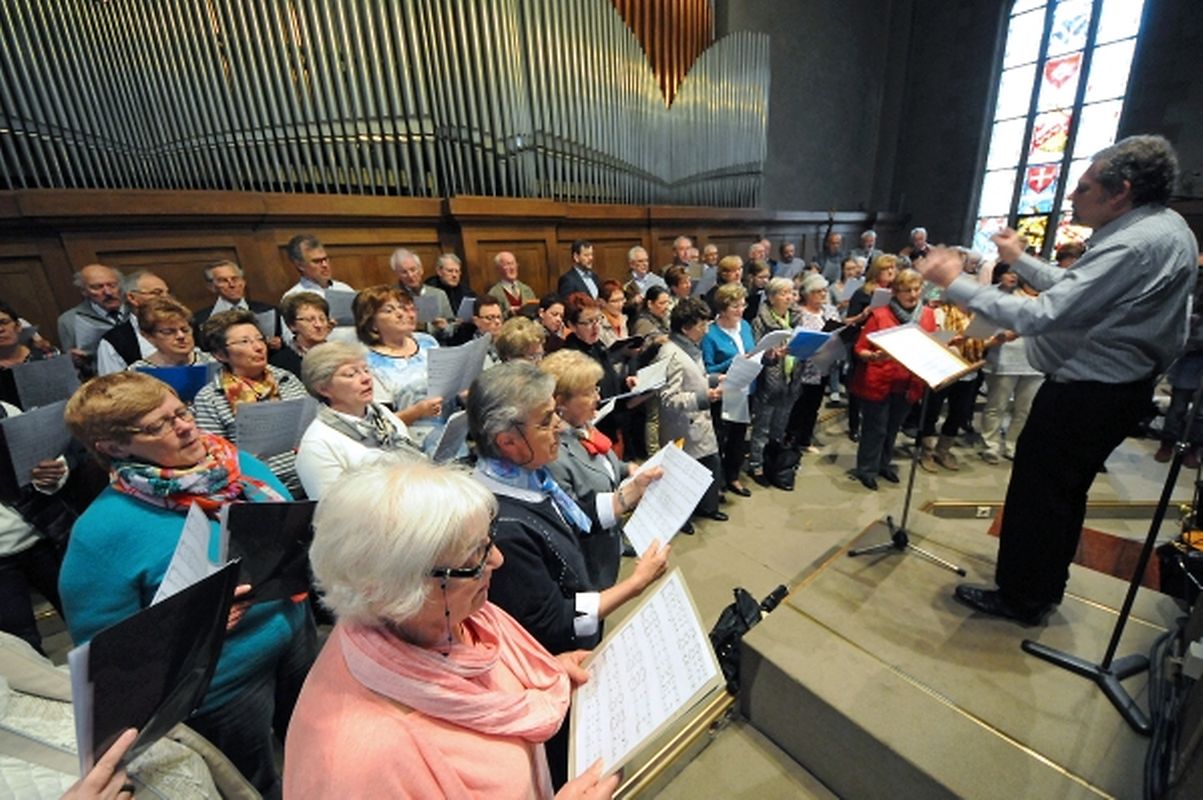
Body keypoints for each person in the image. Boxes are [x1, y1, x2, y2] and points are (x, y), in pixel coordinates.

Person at [915, 135, 1199, 624]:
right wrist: (1020, 261)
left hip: (1089, 393)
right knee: (1062, 495)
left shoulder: (1135, 242)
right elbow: (1079, 289)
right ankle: (1042, 586)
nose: (1071, 197)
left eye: (1084, 187)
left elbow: (1043, 315)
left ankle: (1022, 597)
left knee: (1039, 496)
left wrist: (953, 282)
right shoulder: (1166, 225)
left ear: (1120, 192)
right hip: (1113, 388)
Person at [285, 460, 620, 799]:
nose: (498, 560)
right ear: (398, 588)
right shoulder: (360, 764)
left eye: (487, 542)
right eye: (475, 556)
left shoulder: (445, 619)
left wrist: (542, 674)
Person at [60, 372, 315, 797]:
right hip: (225, 686)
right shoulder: (100, 534)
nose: (184, 426)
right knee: (256, 784)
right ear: (112, 447)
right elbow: (109, 654)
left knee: (314, 746)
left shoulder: (232, 463)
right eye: (158, 425)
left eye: (180, 411)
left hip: (294, 633)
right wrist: (196, 620)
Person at [467, 362, 669, 655]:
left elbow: (570, 515)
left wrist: (629, 494)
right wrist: (636, 584)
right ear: (507, 441)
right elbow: (553, 621)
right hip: (559, 657)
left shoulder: (525, 475)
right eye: (547, 420)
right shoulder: (503, 528)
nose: (559, 428)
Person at [541, 349, 634, 588]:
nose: (598, 397)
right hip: (585, 562)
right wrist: (626, 498)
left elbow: (605, 466)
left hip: (607, 548)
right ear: (559, 403)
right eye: (588, 392)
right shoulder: (552, 453)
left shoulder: (583, 427)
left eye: (596, 388)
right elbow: (573, 520)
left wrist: (627, 469)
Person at [193, 309, 311, 495]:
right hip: (257, 486)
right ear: (220, 355)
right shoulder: (210, 397)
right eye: (245, 342)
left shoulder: (286, 378)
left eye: (259, 339)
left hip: (307, 473)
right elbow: (216, 457)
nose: (258, 347)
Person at [295, 341, 424, 499]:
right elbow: (334, 512)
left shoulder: (382, 414)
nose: (366, 379)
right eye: (351, 374)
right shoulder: (318, 444)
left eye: (365, 370)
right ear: (323, 389)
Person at [848, 268, 935, 490]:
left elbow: (932, 343)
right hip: (880, 380)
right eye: (907, 290)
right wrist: (874, 356)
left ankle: (883, 464)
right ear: (895, 292)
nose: (913, 294)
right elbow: (860, 348)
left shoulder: (926, 315)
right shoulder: (880, 315)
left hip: (908, 382)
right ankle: (866, 469)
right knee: (875, 428)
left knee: (893, 427)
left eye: (916, 289)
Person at [653, 297, 726, 522]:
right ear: (685, 328)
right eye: (701, 325)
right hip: (683, 427)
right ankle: (681, 519)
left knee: (708, 468)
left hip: (698, 423)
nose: (706, 330)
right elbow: (667, 397)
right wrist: (703, 397)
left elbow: (696, 377)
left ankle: (706, 509)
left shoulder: (691, 347)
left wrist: (715, 379)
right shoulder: (671, 354)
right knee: (681, 477)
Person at [353, 286, 444, 450]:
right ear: (372, 324)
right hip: (407, 446)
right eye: (389, 310)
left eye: (400, 308)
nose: (401, 314)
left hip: (449, 431)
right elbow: (381, 425)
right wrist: (418, 411)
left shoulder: (427, 342)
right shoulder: (368, 362)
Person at [701, 283, 755, 497]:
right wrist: (732, 361)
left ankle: (733, 476)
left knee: (738, 439)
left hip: (746, 390)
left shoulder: (746, 326)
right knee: (720, 439)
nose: (741, 310)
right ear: (722, 310)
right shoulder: (710, 334)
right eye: (735, 307)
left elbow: (753, 351)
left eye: (743, 305)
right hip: (724, 393)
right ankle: (718, 483)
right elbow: (706, 368)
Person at [748, 277, 801, 487]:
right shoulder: (760, 321)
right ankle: (756, 464)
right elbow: (756, 353)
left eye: (791, 292)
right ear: (771, 298)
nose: (789, 297)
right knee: (762, 428)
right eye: (783, 293)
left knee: (780, 428)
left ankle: (773, 462)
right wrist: (771, 354)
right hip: (768, 382)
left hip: (790, 378)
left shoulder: (795, 317)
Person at [790, 273, 841, 453]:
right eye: (818, 291)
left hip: (823, 366)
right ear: (808, 294)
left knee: (813, 406)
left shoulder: (830, 311)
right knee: (798, 406)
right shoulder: (798, 313)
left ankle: (805, 439)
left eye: (825, 291)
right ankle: (791, 440)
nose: (823, 294)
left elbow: (838, 331)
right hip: (803, 367)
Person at [191, 261, 281, 351]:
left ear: (243, 282)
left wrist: (279, 343)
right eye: (223, 280)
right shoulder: (201, 320)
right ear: (211, 287)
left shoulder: (269, 310)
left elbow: (285, 340)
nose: (232, 285)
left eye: (235, 279)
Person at [57, 263, 125, 377]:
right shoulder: (69, 320)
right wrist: (75, 361)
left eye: (112, 285)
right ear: (84, 291)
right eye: (97, 287)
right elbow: (73, 368)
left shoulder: (135, 309)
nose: (108, 292)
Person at [96, 270, 168, 375]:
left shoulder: (187, 328)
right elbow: (111, 385)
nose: (166, 298)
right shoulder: (114, 341)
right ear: (132, 298)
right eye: (157, 293)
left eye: (167, 292)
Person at [128, 297, 215, 368]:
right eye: (168, 332)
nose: (181, 336)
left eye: (185, 330)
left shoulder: (215, 362)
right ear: (148, 336)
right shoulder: (138, 373)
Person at [392, 248, 456, 343]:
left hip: (437, 347)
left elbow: (452, 328)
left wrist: (444, 327)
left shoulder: (438, 294)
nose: (410, 275)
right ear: (397, 274)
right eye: (404, 272)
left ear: (421, 270)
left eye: (413, 270)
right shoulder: (391, 297)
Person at [269, 291, 332, 377]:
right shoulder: (280, 362)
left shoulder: (340, 354)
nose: (319, 325)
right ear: (292, 325)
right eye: (310, 320)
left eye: (322, 319)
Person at [280, 234, 354, 301]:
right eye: (317, 261)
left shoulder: (344, 289)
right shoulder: (293, 297)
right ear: (300, 265)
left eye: (325, 259)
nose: (325, 265)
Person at [487, 251, 536, 317]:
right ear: (498, 269)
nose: (512, 268)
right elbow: (492, 319)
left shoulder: (527, 290)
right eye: (507, 264)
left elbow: (535, 313)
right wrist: (508, 313)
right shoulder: (493, 294)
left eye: (513, 263)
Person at [426, 252, 475, 316]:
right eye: (450, 271)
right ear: (439, 271)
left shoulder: (466, 290)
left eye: (457, 271)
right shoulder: (429, 290)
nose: (454, 275)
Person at [597, 279, 628, 348]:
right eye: (614, 301)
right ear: (602, 302)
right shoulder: (597, 323)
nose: (620, 304)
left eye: (622, 299)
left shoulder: (624, 319)